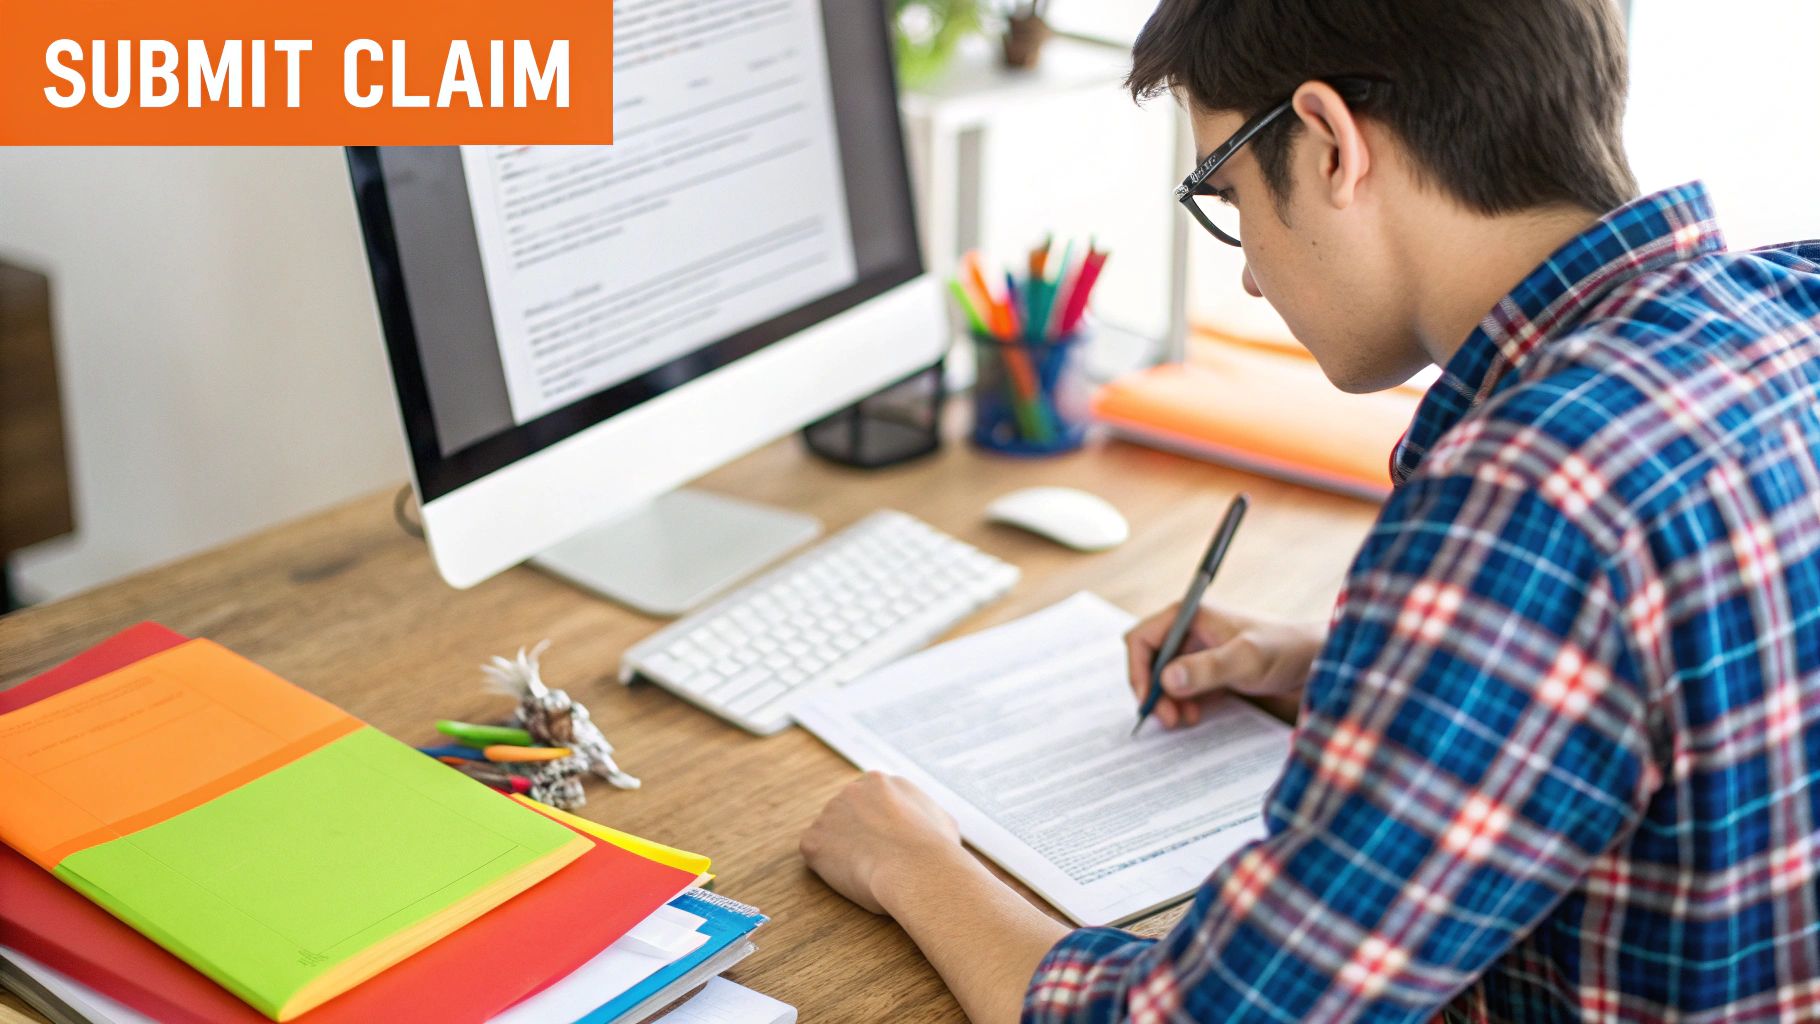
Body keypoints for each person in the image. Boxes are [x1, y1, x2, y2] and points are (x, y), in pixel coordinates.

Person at [800, 0, 1820, 1020]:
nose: (1243, 272)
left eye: (1227, 191)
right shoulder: (1788, 309)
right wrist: (1364, 674)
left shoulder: (1527, 499)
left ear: (1330, 143)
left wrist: (915, 865)